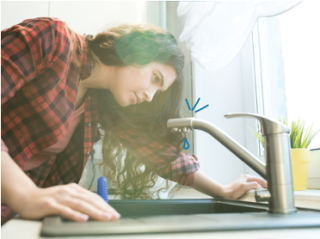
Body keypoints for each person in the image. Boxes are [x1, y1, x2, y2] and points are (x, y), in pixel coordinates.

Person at [0, 17, 267, 226]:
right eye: (155, 79)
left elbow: (161, 155)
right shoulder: (53, 38)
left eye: (158, 92)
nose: (150, 97)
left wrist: (221, 189)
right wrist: (28, 196)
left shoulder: (98, 102)